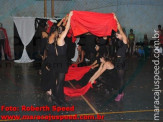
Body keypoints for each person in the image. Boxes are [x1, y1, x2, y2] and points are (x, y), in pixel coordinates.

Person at [42, 11, 73, 105]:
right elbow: (66, 28)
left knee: (58, 82)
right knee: (60, 82)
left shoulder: (53, 38)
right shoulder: (60, 39)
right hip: (61, 62)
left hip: (57, 62)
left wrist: (65, 19)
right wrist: (70, 18)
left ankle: (57, 98)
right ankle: (59, 99)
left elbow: (57, 28)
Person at [113, 14, 128, 101]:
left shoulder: (125, 40)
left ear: (122, 35)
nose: (117, 36)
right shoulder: (120, 40)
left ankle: (120, 93)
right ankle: (121, 92)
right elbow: (118, 30)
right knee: (118, 78)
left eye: (118, 35)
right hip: (118, 60)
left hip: (121, 61)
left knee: (121, 79)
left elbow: (120, 30)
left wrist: (116, 19)